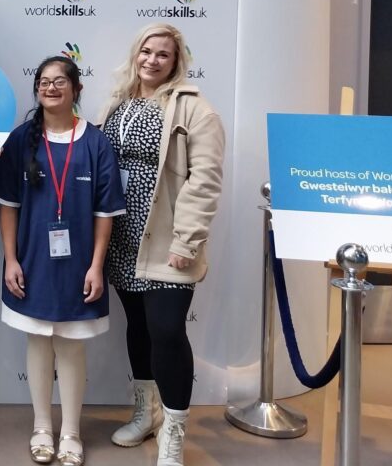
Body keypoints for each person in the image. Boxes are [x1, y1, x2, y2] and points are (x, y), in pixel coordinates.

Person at [0, 56, 125, 466]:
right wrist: (11, 260)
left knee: (70, 347)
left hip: (80, 265)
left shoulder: (96, 143)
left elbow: (105, 213)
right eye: (44, 82)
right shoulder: (20, 140)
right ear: (37, 90)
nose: (51, 88)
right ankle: (41, 428)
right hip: (31, 262)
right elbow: (8, 206)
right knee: (38, 342)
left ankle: (71, 432)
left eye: (60, 81)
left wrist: (96, 265)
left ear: (76, 89)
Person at [99, 23, 224, 466]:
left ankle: (174, 429)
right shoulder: (119, 104)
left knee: (168, 332)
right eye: (146, 52)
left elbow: (204, 182)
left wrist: (187, 242)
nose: (152, 60)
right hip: (122, 238)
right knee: (138, 328)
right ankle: (146, 413)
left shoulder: (194, 109)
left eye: (163, 55)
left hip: (168, 242)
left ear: (177, 62)